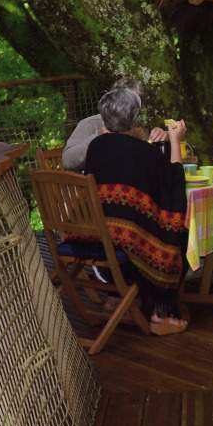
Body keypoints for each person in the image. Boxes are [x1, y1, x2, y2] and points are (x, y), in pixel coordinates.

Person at [81, 84, 191, 335]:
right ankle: (161, 313)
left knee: (147, 224)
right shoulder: (145, 153)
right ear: (134, 118)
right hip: (125, 239)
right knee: (177, 233)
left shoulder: (96, 147)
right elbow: (174, 185)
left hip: (95, 232)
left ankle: (126, 298)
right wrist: (175, 140)